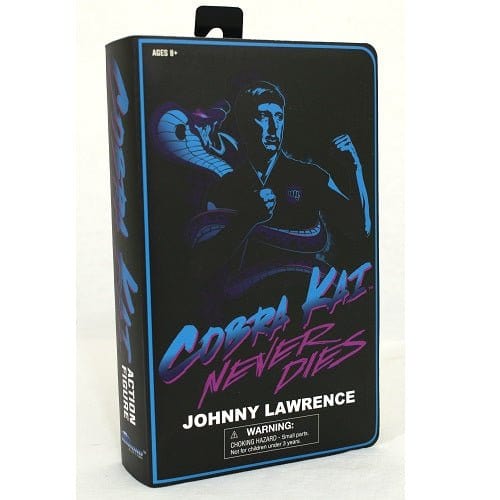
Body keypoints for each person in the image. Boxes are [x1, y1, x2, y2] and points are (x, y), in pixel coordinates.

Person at [190, 81, 371, 290]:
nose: (273, 127)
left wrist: (355, 169)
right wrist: (248, 218)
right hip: (246, 303)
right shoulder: (226, 188)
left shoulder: (310, 176)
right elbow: (202, 268)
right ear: (245, 123)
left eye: (278, 117)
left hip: (301, 301)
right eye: (263, 116)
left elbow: (360, 229)